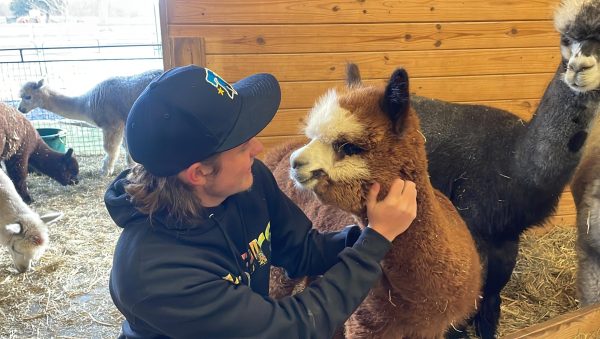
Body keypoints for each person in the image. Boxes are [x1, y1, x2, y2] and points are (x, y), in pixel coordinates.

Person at [104, 64, 417, 339]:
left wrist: (370, 231)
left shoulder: (247, 184)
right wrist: (376, 241)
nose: (258, 146)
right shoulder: (154, 274)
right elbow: (292, 328)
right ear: (198, 173)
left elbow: (304, 251)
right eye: (241, 146)